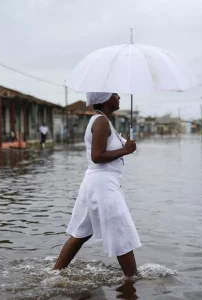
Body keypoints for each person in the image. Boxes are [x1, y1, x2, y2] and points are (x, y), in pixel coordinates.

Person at [53, 92, 140, 277]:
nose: (118, 96)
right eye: (114, 94)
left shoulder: (103, 121)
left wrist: (126, 147)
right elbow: (97, 156)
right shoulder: (100, 121)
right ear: (105, 98)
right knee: (121, 232)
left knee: (81, 233)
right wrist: (125, 149)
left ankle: (54, 275)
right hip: (102, 184)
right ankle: (132, 282)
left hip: (97, 182)